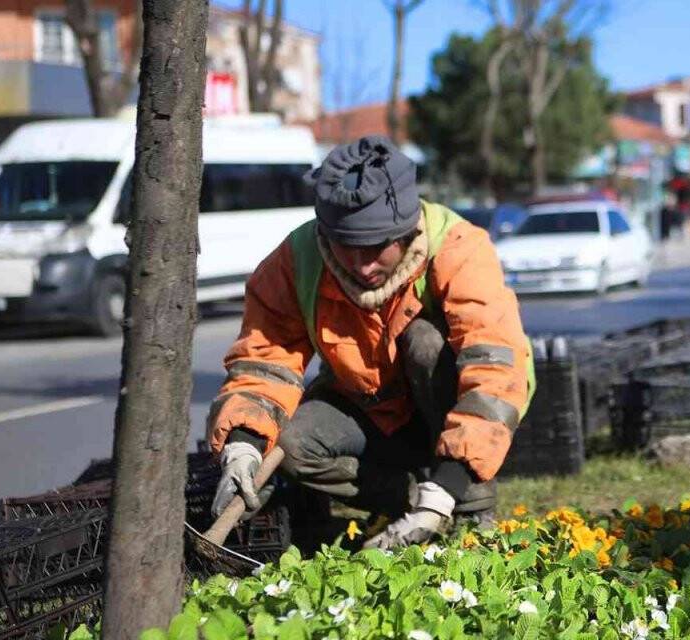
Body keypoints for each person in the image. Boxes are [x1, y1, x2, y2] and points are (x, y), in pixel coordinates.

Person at [206, 136, 534, 550]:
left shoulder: (459, 247)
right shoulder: (296, 260)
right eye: (346, 247)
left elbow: (494, 372)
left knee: (426, 344)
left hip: (449, 402)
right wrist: (243, 445)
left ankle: (468, 507)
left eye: (377, 248)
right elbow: (263, 363)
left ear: (408, 228)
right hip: (370, 406)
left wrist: (452, 481)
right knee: (289, 446)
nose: (362, 266)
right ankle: (414, 501)